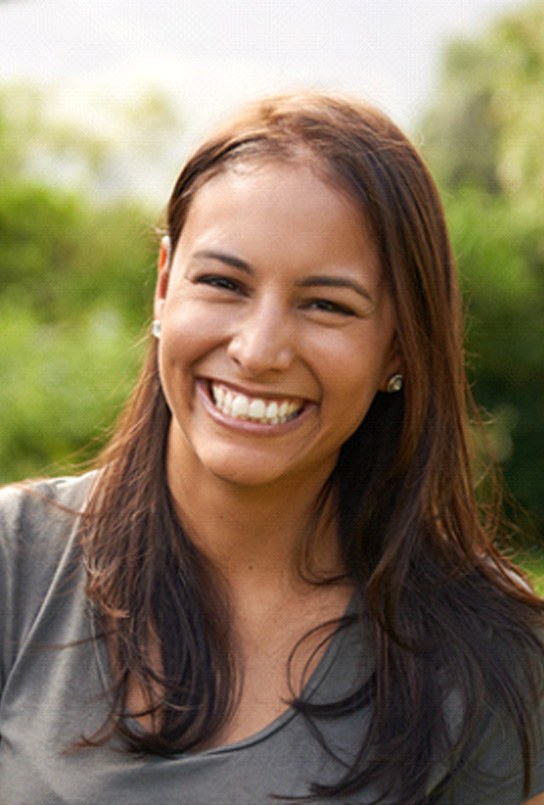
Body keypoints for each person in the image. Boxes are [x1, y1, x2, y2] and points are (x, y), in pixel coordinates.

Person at [0, 92, 543, 805]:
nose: (257, 351)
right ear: (164, 286)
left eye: (326, 304)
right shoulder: (17, 562)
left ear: (400, 345)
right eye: (223, 282)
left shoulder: (488, 648)